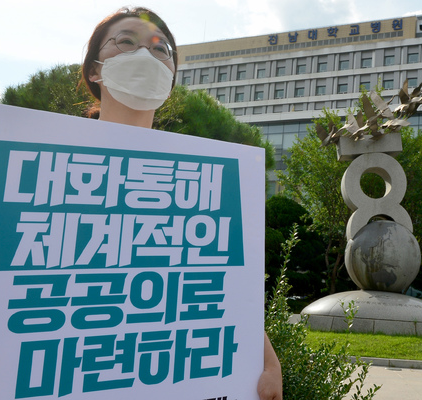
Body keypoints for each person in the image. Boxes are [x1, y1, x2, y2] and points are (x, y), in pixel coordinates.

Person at [81, 7, 282, 399]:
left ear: (171, 77)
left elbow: (216, 280)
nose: (145, 55)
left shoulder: (201, 180)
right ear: (94, 69)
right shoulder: (46, 164)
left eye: (161, 49)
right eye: (126, 42)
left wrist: (268, 361)